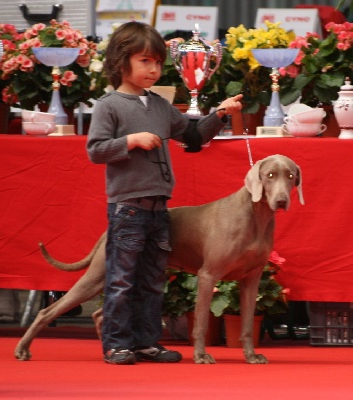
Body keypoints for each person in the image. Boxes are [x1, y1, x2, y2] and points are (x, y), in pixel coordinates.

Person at [86, 21, 243, 365]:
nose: (154, 69)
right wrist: (131, 141)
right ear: (120, 62)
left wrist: (219, 114)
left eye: (158, 62)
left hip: (159, 211)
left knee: (153, 281)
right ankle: (116, 345)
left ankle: (145, 342)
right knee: (122, 280)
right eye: (145, 61)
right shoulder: (108, 105)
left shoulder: (158, 105)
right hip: (127, 209)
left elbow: (194, 136)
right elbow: (95, 150)